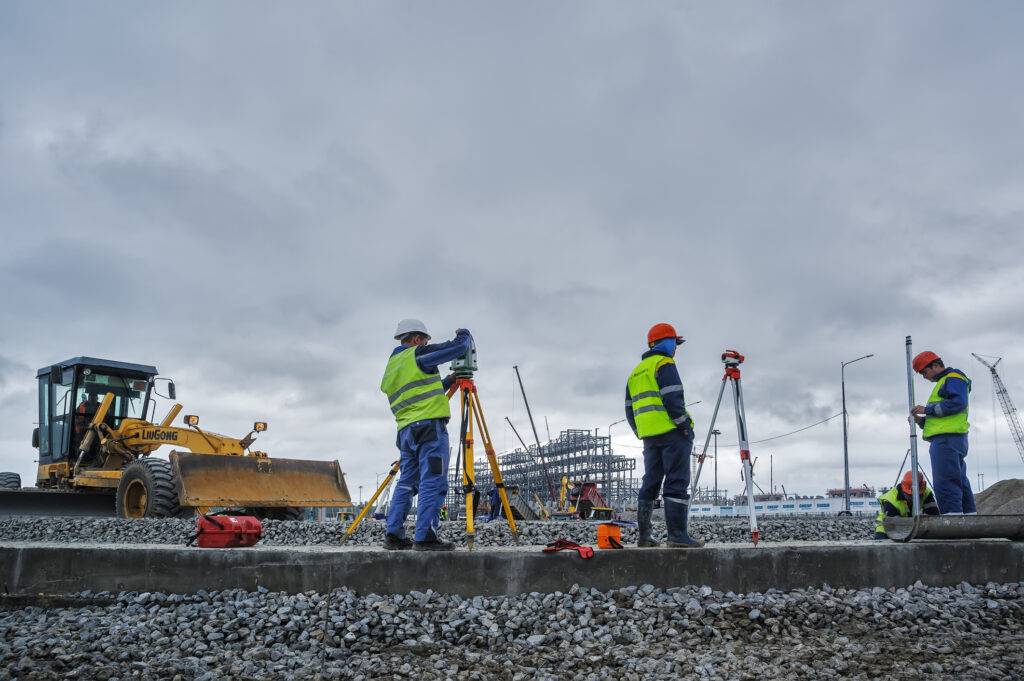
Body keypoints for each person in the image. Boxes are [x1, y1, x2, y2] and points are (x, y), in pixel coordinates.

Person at [380, 319, 472, 551]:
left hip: (406, 432)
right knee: (433, 481)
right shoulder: (417, 354)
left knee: (406, 483)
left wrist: (448, 381)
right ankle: (425, 536)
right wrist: (464, 334)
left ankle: (394, 536)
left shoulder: (393, 366)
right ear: (417, 339)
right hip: (429, 430)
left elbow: (420, 393)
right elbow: (457, 348)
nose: (426, 344)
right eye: (425, 341)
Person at [625, 322, 703, 548]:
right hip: (671, 432)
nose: (676, 347)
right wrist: (684, 426)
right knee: (677, 480)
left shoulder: (636, 372)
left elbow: (629, 409)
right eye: (675, 343)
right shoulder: (664, 363)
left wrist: (641, 431)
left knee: (650, 481)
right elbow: (673, 398)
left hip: (650, 436)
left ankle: (644, 537)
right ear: (666, 342)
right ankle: (677, 535)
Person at [910, 351, 977, 515]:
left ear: (935, 365)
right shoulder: (949, 381)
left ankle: (952, 520)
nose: (925, 377)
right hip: (954, 439)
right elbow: (943, 417)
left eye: (925, 372)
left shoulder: (952, 378)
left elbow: (957, 403)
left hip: (946, 440)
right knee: (959, 480)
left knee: (945, 481)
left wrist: (927, 409)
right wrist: (921, 421)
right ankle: (969, 518)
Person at [873, 471, 940, 539]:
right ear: (903, 489)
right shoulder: (890, 500)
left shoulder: (926, 493)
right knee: (883, 544)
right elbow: (895, 525)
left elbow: (934, 515)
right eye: (910, 495)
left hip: (911, 526)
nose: (913, 498)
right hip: (886, 527)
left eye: (918, 495)